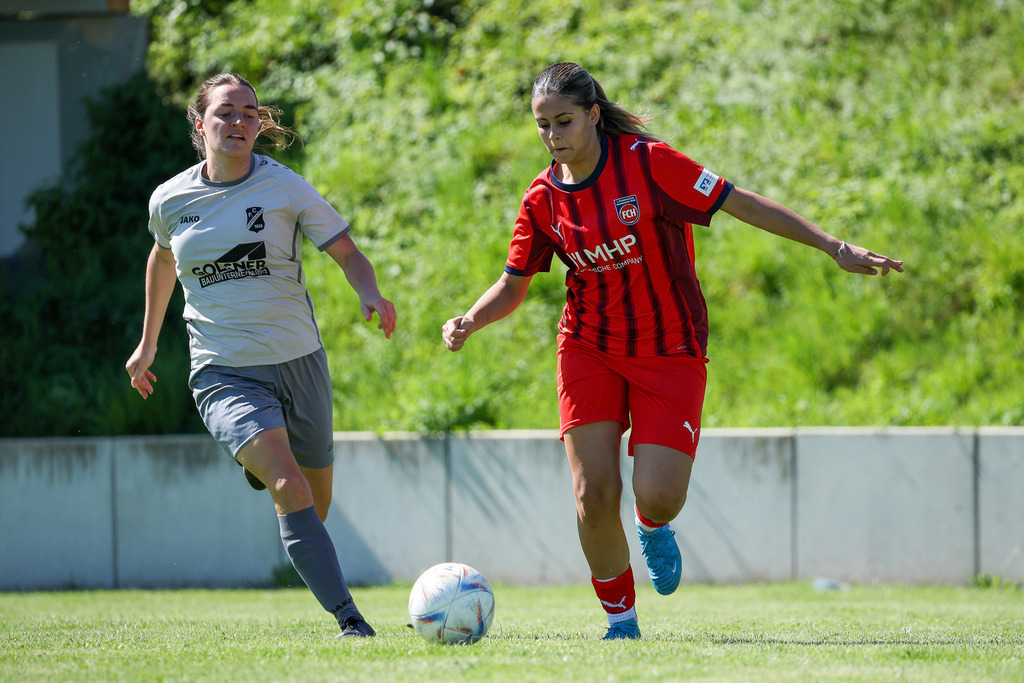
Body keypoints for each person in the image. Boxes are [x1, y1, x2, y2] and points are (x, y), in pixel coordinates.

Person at [442, 62, 903, 640]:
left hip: (670, 347)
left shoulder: (647, 163)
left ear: (593, 115)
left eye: (564, 121)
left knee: (659, 496)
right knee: (591, 493)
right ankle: (621, 624)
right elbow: (513, 285)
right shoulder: (542, 200)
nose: (553, 135)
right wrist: (470, 320)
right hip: (588, 347)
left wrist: (832, 246)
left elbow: (738, 202)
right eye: (542, 125)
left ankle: (652, 525)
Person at [125, 73, 396, 638]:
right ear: (200, 124)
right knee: (289, 486)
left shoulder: (285, 187)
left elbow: (347, 252)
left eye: (249, 113)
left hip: (299, 360)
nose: (239, 122)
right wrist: (148, 343)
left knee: (314, 499)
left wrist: (369, 292)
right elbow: (163, 259)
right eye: (226, 112)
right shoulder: (170, 199)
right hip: (222, 369)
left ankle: (265, 461)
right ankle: (350, 619)